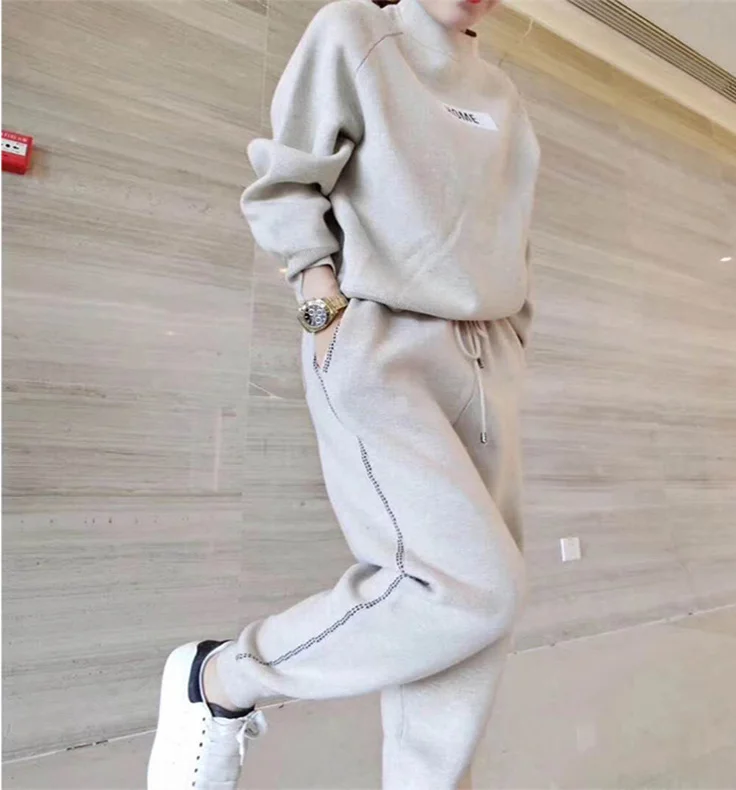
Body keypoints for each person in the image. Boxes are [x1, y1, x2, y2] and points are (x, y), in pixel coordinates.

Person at [147, 0, 540, 786]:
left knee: (466, 628)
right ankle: (221, 679)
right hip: (378, 343)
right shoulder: (354, 33)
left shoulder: (502, 95)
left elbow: (513, 236)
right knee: (475, 589)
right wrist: (322, 306)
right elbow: (285, 182)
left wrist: (513, 340)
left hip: (487, 360)